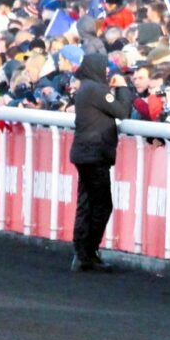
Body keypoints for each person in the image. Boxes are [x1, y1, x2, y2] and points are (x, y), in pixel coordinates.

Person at [69, 49, 136, 272]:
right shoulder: (96, 90)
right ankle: (87, 251)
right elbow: (122, 111)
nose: (107, 71)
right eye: (105, 67)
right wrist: (123, 88)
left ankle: (82, 252)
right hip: (94, 154)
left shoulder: (86, 89)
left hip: (85, 152)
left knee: (86, 203)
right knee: (101, 205)